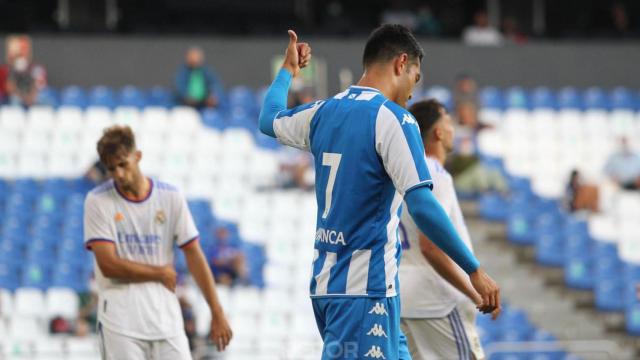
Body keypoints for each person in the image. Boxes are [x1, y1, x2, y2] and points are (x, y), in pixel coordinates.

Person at [258, 25, 500, 359]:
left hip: (334, 287)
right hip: (363, 291)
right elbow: (422, 205)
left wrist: (287, 71)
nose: (413, 93)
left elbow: (268, 119)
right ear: (402, 63)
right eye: (415, 78)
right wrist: (473, 269)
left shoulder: (322, 112)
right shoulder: (393, 120)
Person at [83, 125, 232, 359]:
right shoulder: (98, 201)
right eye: (112, 169)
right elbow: (108, 265)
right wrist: (158, 273)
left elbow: (194, 254)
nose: (119, 174)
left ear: (137, 156)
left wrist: (217, 311)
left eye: (123, 164)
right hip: (120, 323)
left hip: (166, 319)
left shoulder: (170, 196)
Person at [399, 99, 500, 360]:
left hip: (403, 297)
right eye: (449, 123)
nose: (454, 129)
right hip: (435, 301)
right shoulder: (433, 173)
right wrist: (473, 290)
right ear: (438, 133)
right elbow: (430, 245)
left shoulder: (402, 173)